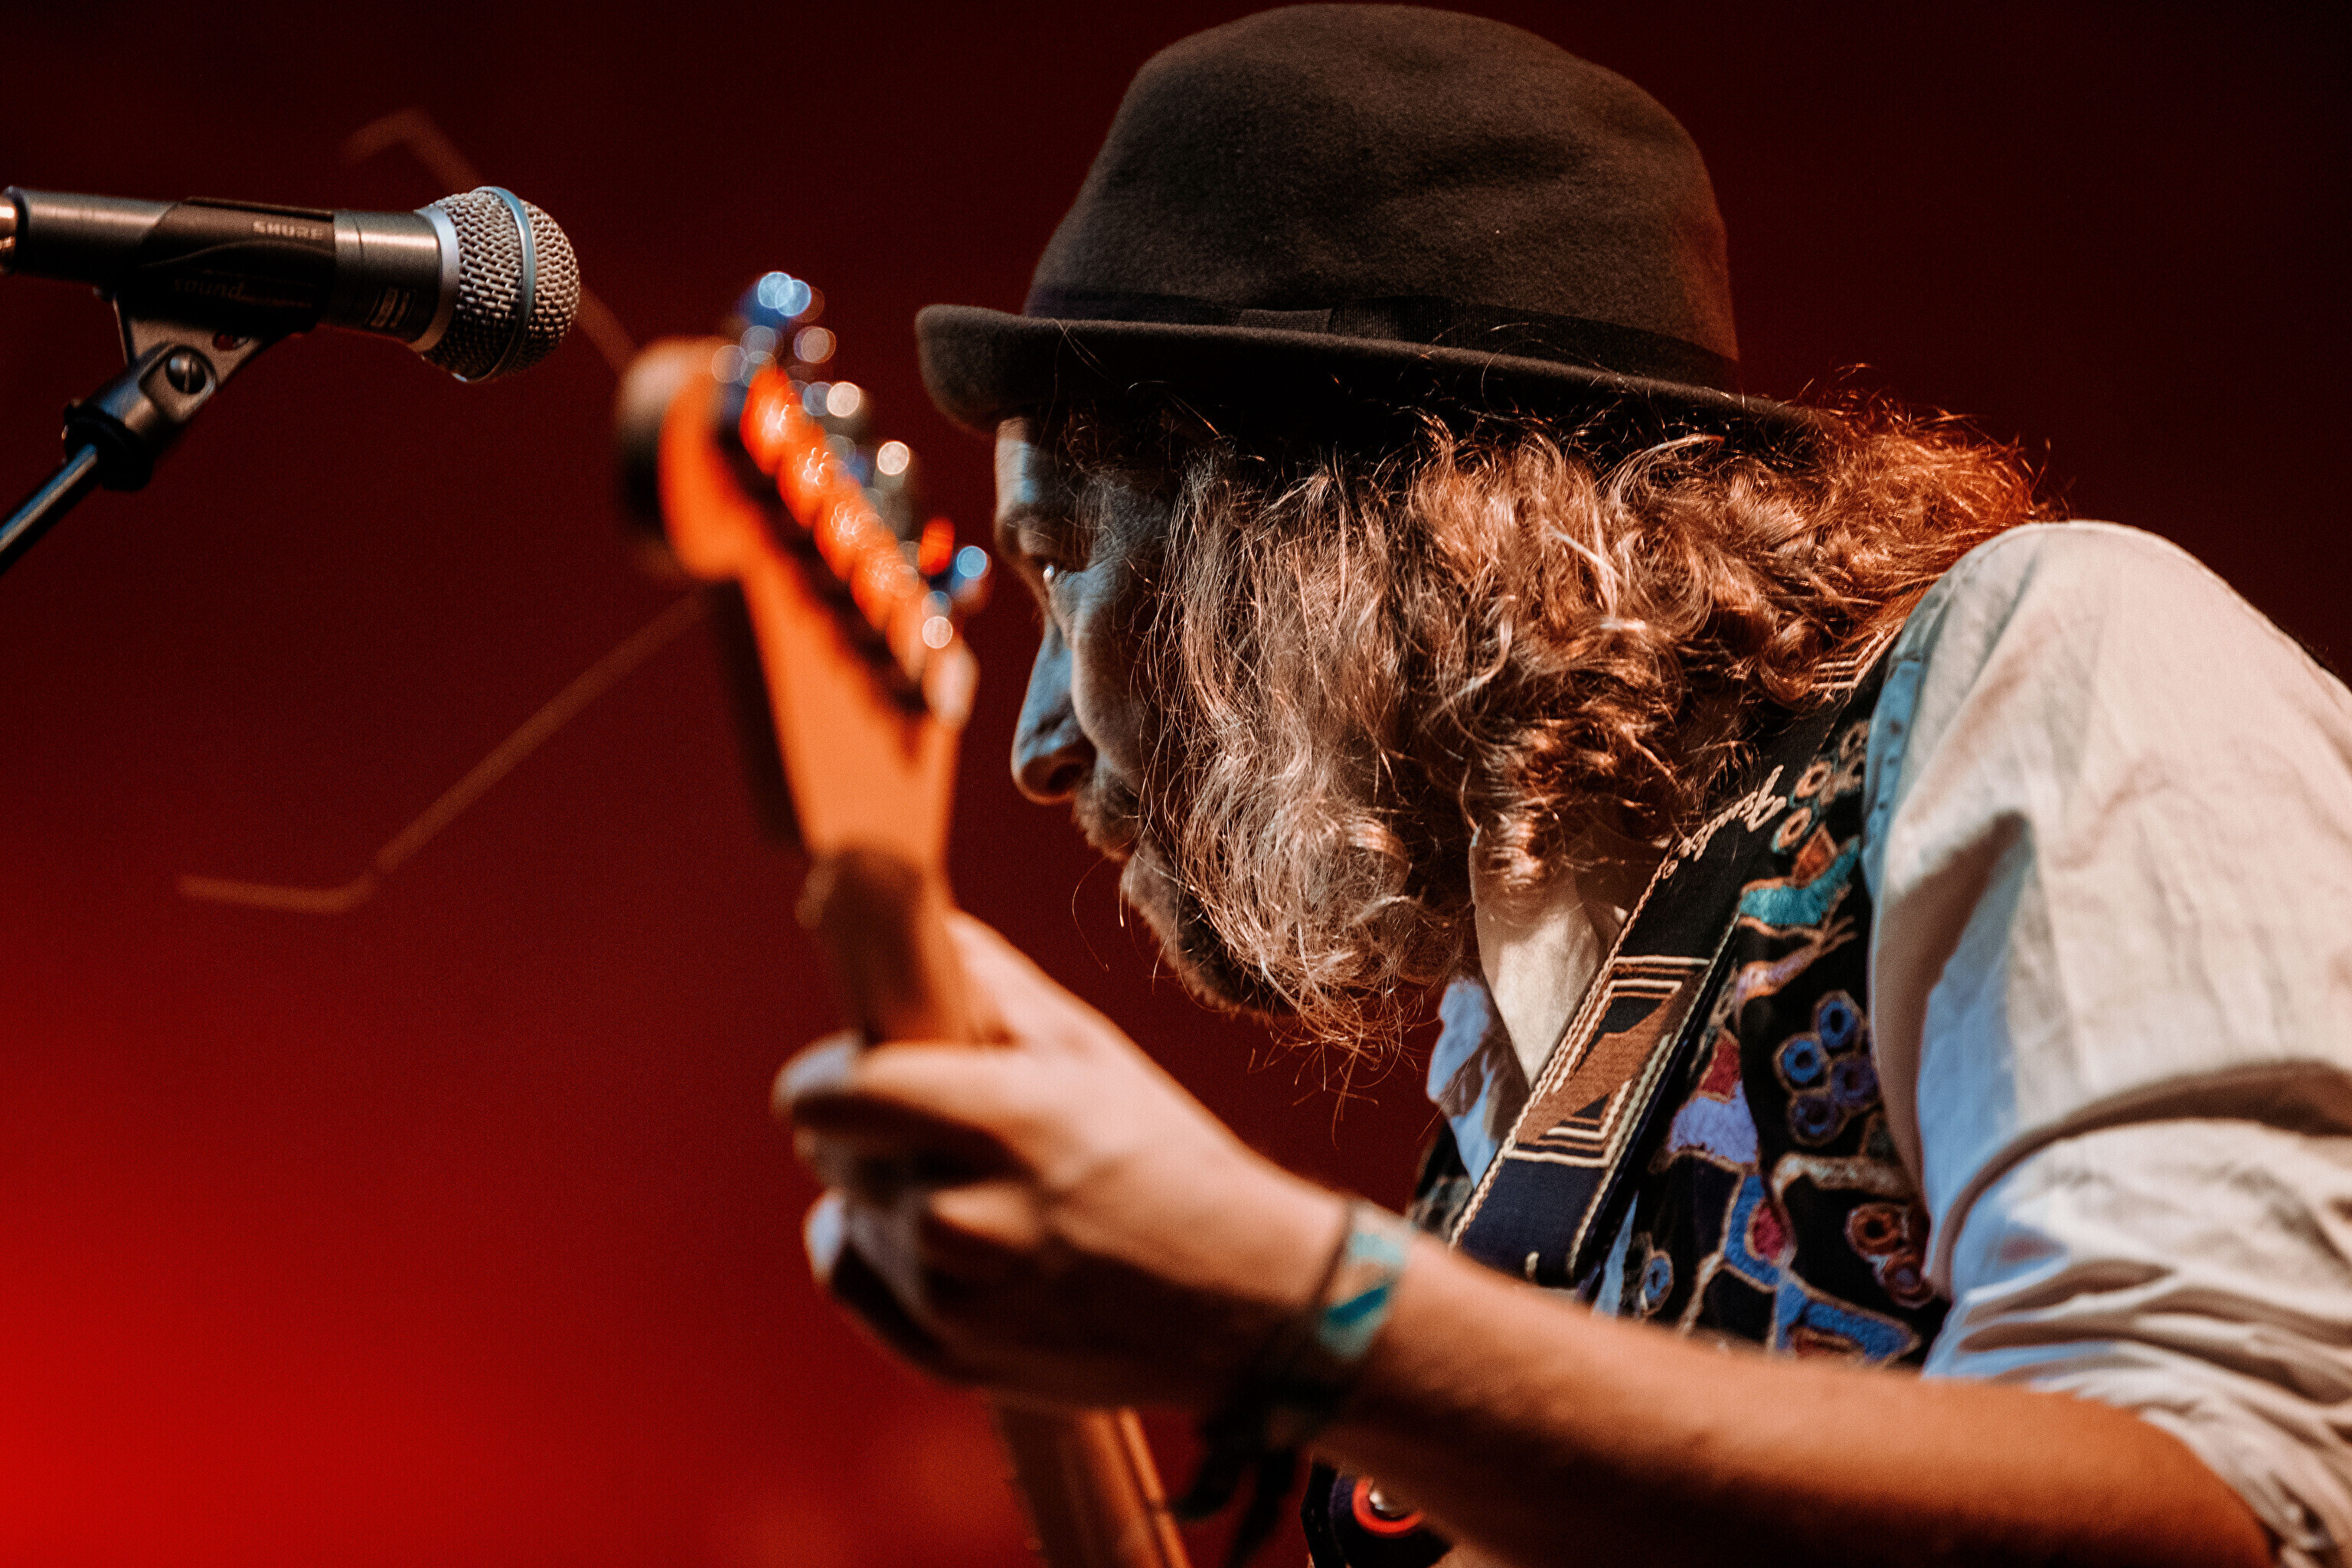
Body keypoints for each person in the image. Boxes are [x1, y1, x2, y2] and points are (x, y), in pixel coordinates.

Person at [781, 8, 2352, 1565]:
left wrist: (1292, 1303)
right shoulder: (1502, 1109)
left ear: (1323, 531)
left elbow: (2235, 1503)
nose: (1036, 745)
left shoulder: (2058, 654)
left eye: (1064, 559)